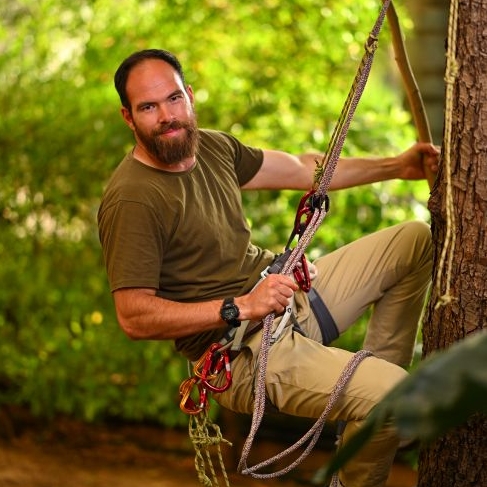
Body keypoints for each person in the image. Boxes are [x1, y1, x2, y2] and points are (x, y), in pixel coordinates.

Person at [98, 49, 440, 487]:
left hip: (286, 300)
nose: (167, 116)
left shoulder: (213, 147)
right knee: (393, 397)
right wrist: (241, 306)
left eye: (174, 98)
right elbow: (133, 316)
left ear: (190, 97)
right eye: (148, 107)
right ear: (128, 118)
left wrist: (398, 166)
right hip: (238, 353)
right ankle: (378, 415)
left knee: (414, 241)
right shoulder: (132, 198)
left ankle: (371, 406)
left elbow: (301, 169)